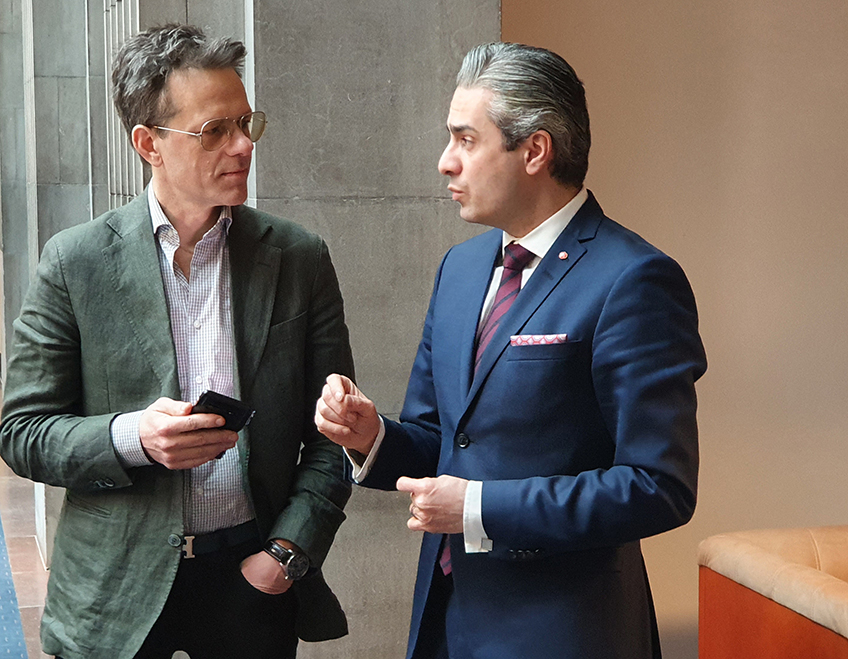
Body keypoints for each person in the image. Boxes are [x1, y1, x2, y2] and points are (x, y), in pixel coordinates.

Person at [315, 42, 707, 659]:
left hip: (566, 634)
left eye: (466, 140)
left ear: (535, 150)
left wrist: (479, 507)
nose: (445, 162)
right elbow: (443, 440)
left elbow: (658, 486)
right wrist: (371, 437)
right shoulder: (461, 269)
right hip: (444, 622)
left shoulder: (634, 279)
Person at [0, 24, 354, 659]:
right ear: (149, 144)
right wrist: (132, 438)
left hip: (250, 581)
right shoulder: (76, 262)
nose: (243, 145)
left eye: (246, 123)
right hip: (115, 590)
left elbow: (335, 436)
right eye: (214, 130)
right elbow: (23, 432)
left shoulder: (298, 258)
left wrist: (285, 554)